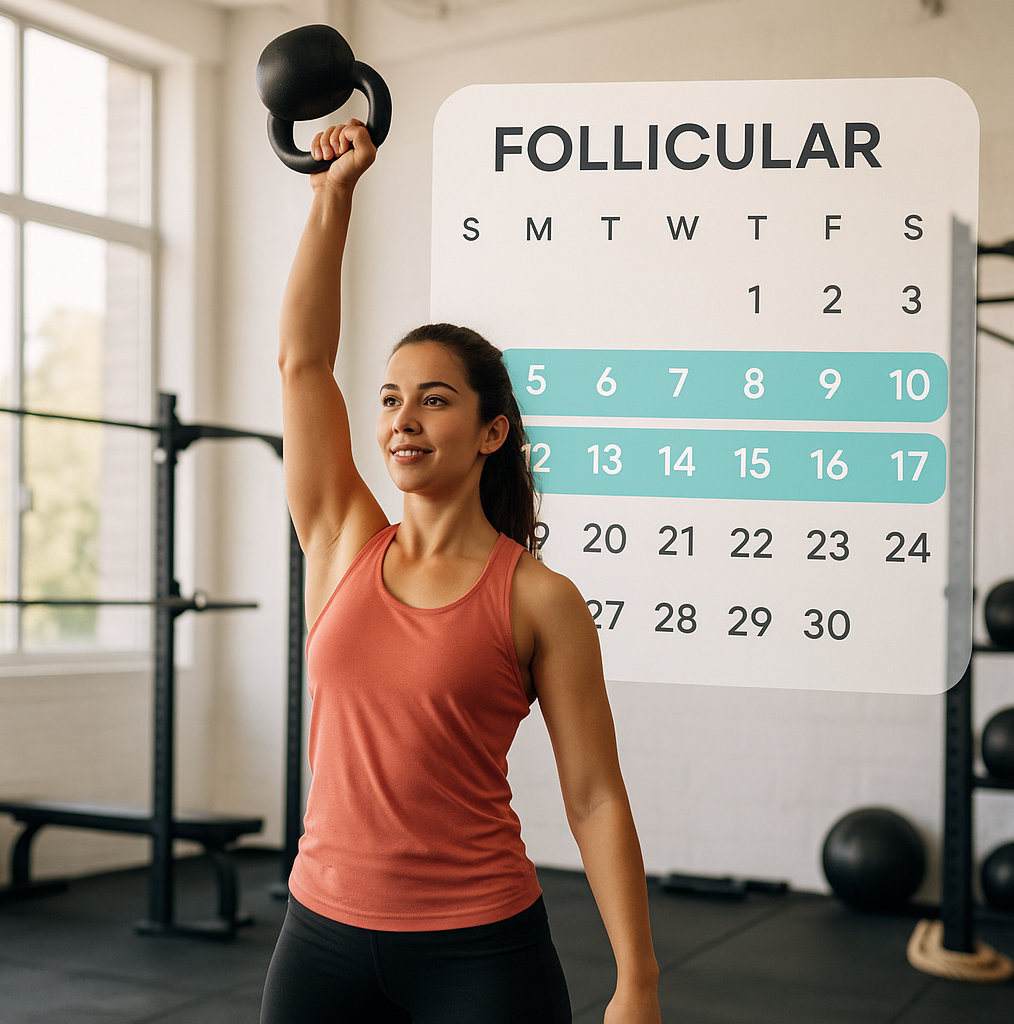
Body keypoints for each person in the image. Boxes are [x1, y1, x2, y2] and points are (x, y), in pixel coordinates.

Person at [260, 118, 662, 1024]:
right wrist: (331, 197)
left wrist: (636, 980)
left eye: (434, 400)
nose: (404, 417)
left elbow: (593, 793)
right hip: (318, 932)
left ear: (492, 433)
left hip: (479, 949)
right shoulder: (339, 540)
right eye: (392, 398)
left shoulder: (538, 597)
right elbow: (303, 363)